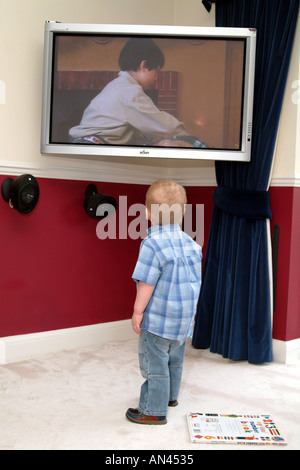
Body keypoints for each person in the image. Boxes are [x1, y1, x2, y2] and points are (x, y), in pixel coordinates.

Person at [126, 180, 202, 425]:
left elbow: (146, 283)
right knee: (175, 361)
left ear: (147, 213)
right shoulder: (192, 245)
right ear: (183, 213)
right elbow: (194, 282)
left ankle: (153, 410)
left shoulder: (152, 244)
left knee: (154, 364)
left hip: (158, 321)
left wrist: (138, 312)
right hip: (183, 320)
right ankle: (170, 397)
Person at [69, 38, 190, 145]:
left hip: (85, 141)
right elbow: (165, 126)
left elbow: (140, 128)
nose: (155, 78)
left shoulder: (118, 85)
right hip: (92, 145)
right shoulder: (130, 92)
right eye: (156, 72)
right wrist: (189, 137)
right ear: (144, 65)